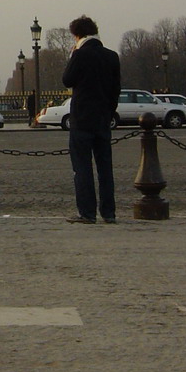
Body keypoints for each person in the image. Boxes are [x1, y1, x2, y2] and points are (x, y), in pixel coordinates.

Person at [61, 15, 121, 224]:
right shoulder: (112, 56)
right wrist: (108, 111)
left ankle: (87, 213)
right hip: (103, 118)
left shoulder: (80, 55)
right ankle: (109, 212)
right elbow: (116, 90)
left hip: (82, 119)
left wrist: (73, 56)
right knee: (105, 168)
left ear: (77, 34)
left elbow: (67, 80)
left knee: (82, 168)